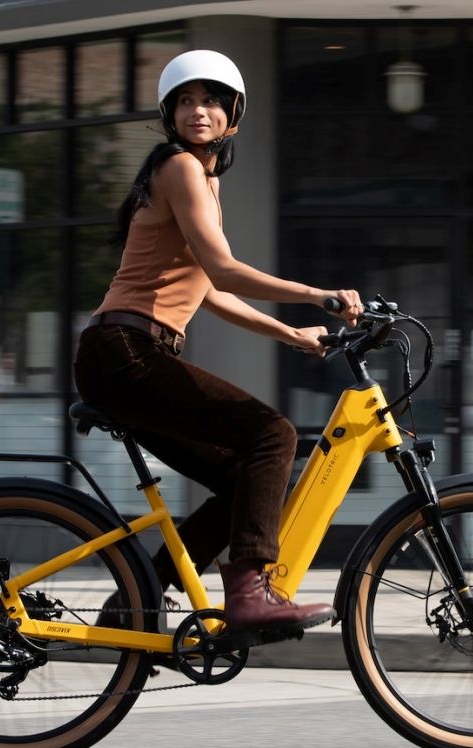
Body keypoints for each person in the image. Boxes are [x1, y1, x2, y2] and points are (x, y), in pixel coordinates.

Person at [73, 50, 362, 634]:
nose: (196, 110)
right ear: (169, 114)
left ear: (232, 117)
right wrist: (319, 294)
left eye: (209, 100)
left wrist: (290, 335)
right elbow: (225, 271)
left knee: (243, 476)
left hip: (124, 355)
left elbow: (208, 292)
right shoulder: (179, 168)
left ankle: (138, 598)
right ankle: (250, 590)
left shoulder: (202, 183)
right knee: (272, 435)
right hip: (125, 351)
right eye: (184, 100)